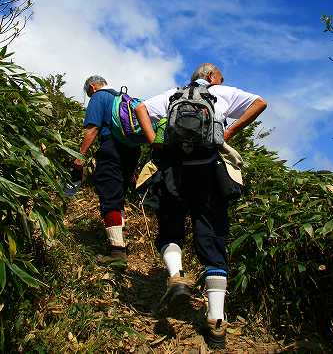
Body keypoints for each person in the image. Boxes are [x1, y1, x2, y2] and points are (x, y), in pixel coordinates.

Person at [135, 63, 267, 348]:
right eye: (220, 76)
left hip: (174, 168)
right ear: (211, 77)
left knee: (170, 227)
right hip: (209, 169)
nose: (222, 80)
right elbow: (260, 103)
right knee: (212, 237)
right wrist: (228, 133)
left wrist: (152, 141)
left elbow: (141, 108)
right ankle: (216, 321)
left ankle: (176, 275)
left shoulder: (175, 94)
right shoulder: (222, 92)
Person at [74, 75, 140, 268]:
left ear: (93, 87)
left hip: (111, 146)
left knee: (109, 194)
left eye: (88, 93)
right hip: (131, 150)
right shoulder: (122, 97)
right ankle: (120, 240)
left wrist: (80, 156)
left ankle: (117, 251)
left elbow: (93, 128)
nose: (89, 95)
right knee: (118, 195)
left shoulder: (99, 97)